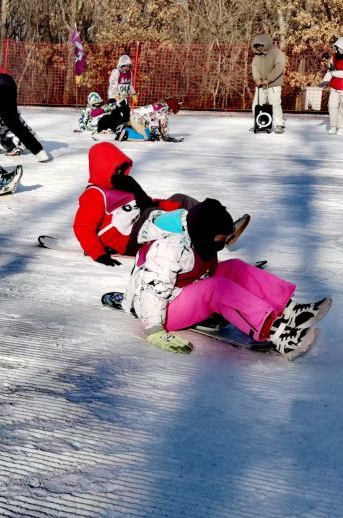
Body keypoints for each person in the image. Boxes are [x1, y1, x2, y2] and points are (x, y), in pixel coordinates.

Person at [123, 200, 332, 358]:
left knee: (235, 268)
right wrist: (155, 330)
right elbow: (152, 288)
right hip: (163, 310)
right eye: (220, 238)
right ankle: (278, 333)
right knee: (218, 289)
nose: (222, 243)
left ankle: (291, 312)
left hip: (183, 289)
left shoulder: (193, 230)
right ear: (206, 233)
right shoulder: (168, 248)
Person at [73, 142, 248, 267]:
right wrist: (98, 253)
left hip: (143, 219)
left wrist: (162, 203)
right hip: (129, 238)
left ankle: (226, 229)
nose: (119, 173)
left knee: (180, 199)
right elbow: (82, 227)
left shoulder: (124, 183)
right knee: (175, 218)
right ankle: (211, 238)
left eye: (121, 169)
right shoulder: (94, 194)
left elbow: (144, 202)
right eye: (115, 170)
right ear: (102, 168)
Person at [251, 34, 287, 134]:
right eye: (257, 46)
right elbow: (254, 66)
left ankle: (278, 124)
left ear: (265, 43)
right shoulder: (257, 55)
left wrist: (269, 79)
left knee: (275, 104)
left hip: (274, 85)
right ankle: (258, 123)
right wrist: (257, 79)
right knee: (256, 105)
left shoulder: (277, 52)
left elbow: (280, 67)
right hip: (260, 85)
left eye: (260, 45)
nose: (259, 47)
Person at [319, 37, 343, 135]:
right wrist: (325, 81)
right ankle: (333, 126)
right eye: (337, 47)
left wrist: (334, 73)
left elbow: (337, 73)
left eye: (340, 47)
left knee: (342, 108)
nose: (338, 50)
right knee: (332, 106)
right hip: (334, 86)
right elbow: (330, 71)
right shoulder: (334, 57)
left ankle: (341, 127)